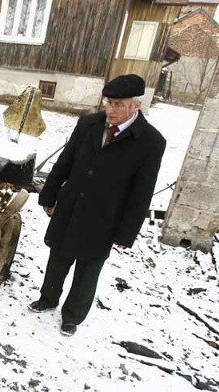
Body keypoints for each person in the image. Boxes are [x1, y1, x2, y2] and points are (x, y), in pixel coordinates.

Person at [28, 74, 166, 336]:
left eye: (117, 104)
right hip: (71, 207)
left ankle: (73, 316)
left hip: (105, 217)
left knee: (88, 269)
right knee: (58, 257)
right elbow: (65, 161)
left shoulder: (151, 142)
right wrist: (49, 194)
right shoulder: (89, 124)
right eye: (108, 103)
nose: (110, 110)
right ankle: (48, 298)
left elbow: (142, 193)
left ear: (136, 106)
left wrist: (127, 233)